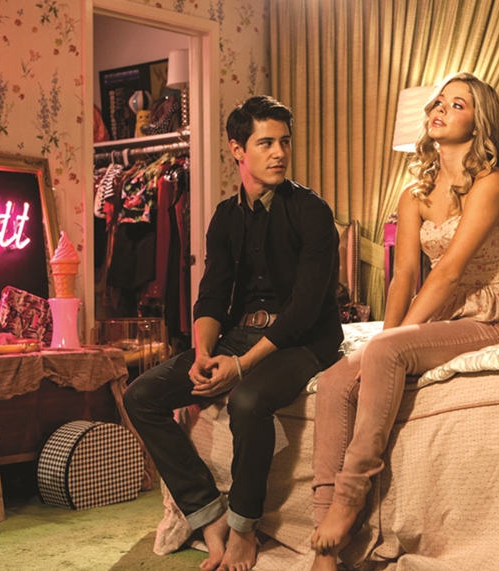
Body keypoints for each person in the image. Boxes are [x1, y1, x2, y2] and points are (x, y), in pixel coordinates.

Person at [309, 72, 499, 571]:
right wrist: (385, 337)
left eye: (457, 104)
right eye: (438, 102)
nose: (440, 109)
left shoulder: (491, 183)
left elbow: (449, 271)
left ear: (479, 123)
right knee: (335, 381)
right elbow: (404, 275)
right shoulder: (414, 193)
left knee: (386, 351)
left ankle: (349, 499)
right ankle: (326, 544)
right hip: (442, 319)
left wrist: (392, 342)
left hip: (491, 317)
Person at [124, 94, 342, 571]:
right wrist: (204, 353)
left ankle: (243, 528)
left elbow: (304, 310)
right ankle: (208, 512)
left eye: (285, 141)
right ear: (237, 150)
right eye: (266, 143)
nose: (280, 152)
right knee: (140, 396)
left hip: (305, 340)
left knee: (247, 402)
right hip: (237, 335)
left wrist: (241, 366)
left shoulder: (312, 211)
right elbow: (211, 296)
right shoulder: (225, 216)